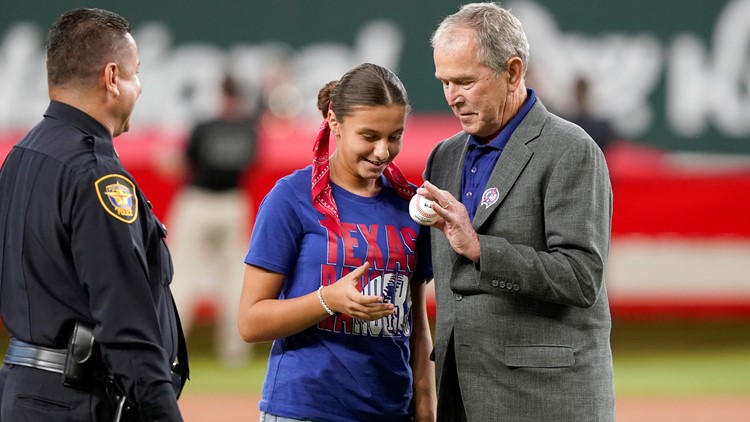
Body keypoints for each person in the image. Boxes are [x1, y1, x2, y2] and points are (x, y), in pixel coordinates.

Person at [420, 3, 615, 421]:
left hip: (545, 399)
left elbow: (581, 277)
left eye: (466, 81)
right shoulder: (444, 156)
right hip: (461, 395)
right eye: (445, 82)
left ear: (512, 72)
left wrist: (480, 249)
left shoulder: (571, 149)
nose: (453, 96)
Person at [0, 8, 187, 421]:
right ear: (112, 77)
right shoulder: (95, 173)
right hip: (77, 401)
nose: (139, 87)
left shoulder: (20, 156)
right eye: (136, 74)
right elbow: (125, 321)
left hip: (22, 391)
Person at [238, 63, 435, 422]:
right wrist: (328, 300)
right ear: (334, 122)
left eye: (394, 136)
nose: (382, 151)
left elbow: (417, 329)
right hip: (304, 410)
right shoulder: (291, 198)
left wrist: (426, 409)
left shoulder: (410, 205)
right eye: (369, 136)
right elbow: (251, 322)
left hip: (391, 412)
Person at [168, 73, 256, 367]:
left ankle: (170, 348)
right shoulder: (248, 128)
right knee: (234, 279)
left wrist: (167, 162)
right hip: (232, 203)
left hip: (200, 202)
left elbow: (184, 163)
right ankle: (234, 352)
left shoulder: (205, 126)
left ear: (220, 94)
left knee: (183, 276)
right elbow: (250, 163)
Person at [569, 75, 617, 153]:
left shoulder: (602, 128)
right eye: (579, 92)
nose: (580, 96)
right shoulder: (568, 122)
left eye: (582, 92)